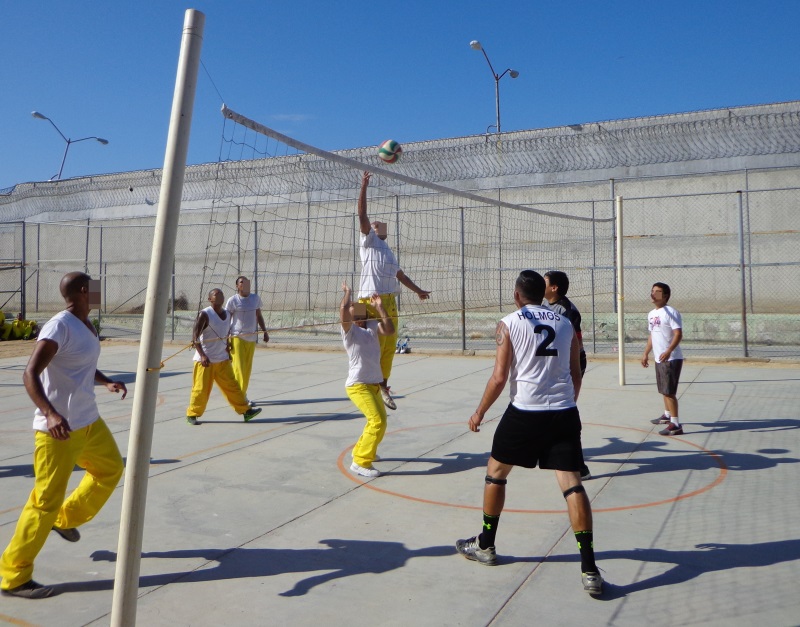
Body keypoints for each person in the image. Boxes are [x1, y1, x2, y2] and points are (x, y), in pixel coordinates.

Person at [455, 270, 602, 596]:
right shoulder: (564, 322)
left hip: (525, 411)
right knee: (572, 484)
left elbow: (498, 378)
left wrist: (479, 412)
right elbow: (577, 373)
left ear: (518, 295)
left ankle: (486, 544)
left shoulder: (510, 323)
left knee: (496, 472)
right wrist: (566, 404)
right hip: (563, 412)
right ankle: (589, 567)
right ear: (542, 293)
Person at [0, 272, 127, 599]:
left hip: (88, 422)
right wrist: (50, 412)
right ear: (85, 291)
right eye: (95, 287)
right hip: (58, 431)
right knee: (43, 502)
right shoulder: (60, 325)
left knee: (111, 469)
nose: (99, 292)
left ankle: (65, 518)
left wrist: (106, 381)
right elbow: (30, 373)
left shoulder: (86, 325)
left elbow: (80, 365)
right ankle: (13, 576)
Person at [357, 170, 430, 410]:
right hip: (367, 301)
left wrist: (418, 290)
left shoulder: (388, 252)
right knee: (365, 345)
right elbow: (362, 214)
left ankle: (383, 386)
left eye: (380, 224)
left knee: (388, 348)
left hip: (388, 301)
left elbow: (401, 275)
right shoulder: (368, 242)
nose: (378, 224)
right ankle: (364, 383)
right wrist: (364, 186)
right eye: (375, 224)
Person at [340, 282, 395, 478]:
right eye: (354, 308)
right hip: (358, 385)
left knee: (381, 422)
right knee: (376, 420)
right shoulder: (349, 332)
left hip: (373, 384)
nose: (356, 308)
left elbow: (390, 330)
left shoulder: (372, 327)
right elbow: (343, 309)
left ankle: (363, 451)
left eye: (359, 307)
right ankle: (360, 461)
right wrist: (348, 293)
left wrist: (380, 307)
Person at [186, 288, 262, 425]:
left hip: (222, 359)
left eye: (221, 294)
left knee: (233, 387)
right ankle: (192, 414)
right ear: (210, 299)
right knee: (200, 389)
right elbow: (194, 338)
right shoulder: (205, 314)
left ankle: (246, 411)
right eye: (216, 294)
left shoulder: (227, 314)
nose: (219, 295)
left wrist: (227, 346)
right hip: (205, 361)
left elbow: (226, 333)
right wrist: (202, 355)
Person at [544, 270, 591, 481]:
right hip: (556, 365)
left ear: (554, 288)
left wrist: (563, 364)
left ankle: (579, 466)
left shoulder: (567, 310)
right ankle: (549, 451)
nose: (540, 284)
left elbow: (576, 343)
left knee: (566, 413)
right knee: (550, 410)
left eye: (544, 282)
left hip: (571, 365)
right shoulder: (544, 305)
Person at [641, 282, 684, 436]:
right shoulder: (652, 314)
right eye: (652, 291)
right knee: (663, 390)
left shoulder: (670, 312)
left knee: (669, 392)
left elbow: (678, 334)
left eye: (657, 292)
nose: (653, 294)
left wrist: (668, 351)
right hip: (660, 358)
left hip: (671, 358)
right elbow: (652, 335)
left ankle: (676, 424)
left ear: (665, 295)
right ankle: (667, 415)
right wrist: (646, 353)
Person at [225, 276, 269, 405]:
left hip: (251, 338)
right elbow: (227, 320)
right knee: (239, 369)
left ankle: (241, 394)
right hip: (237, 337)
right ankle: (240, 398)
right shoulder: (233, 300)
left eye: (246, 282)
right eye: (241, 282)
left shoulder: (255, 298)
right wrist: (226, 339)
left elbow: (258, 315)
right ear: (237, 286)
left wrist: (264, 331)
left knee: (247, 370)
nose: (244, 285)